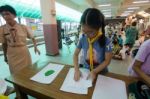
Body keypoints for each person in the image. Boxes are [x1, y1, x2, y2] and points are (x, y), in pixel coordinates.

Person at [73, 8, 112, 82]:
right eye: (84, 31)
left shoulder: (107, 41)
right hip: (86, 72)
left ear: (99, 28)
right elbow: (75, 55)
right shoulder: (83, 38)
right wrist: (76, 69)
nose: (87, 35)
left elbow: (107, 61)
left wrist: (94, 71)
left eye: (91, 32)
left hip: (101, 73)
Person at [0, 5, 40, 74]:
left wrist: (35, 47)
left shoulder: (23, 27)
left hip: (24, 52)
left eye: (7, 14)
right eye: (3, 15)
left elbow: (32, 37)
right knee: (15, 73)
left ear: (14, 15)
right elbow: (4, 44)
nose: (5, 16)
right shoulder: (2, 29)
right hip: (12, 53)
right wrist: (5, 56)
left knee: (27, 71)